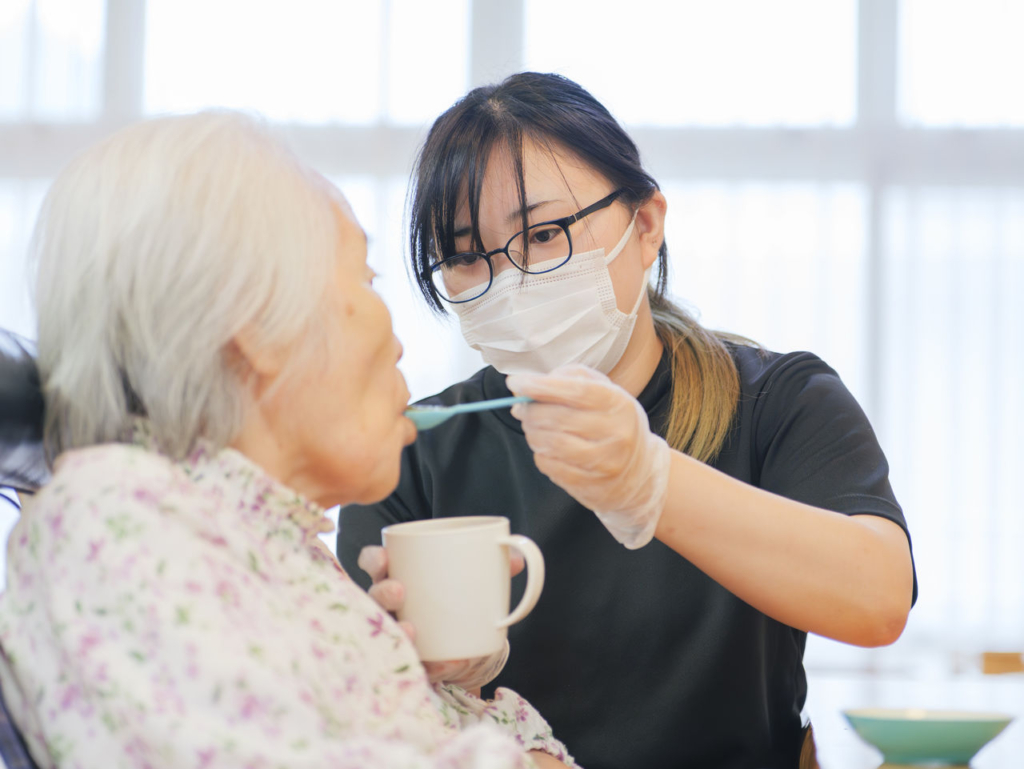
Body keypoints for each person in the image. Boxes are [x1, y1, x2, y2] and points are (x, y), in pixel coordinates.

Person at [337, 72, 918, 769]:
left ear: (645, 226)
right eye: (464, 256)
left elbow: (878, 598)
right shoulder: (415, 446)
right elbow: (349, 720)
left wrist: (650, 481)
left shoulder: (778, 400)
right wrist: (423, 671)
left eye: (545, 233)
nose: (509, 282)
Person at [0, 111, 577, 769]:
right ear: (254, 324)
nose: (398, 341)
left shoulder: (273, 548)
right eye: (365, 281)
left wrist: (435, 678)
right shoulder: (111, 517)